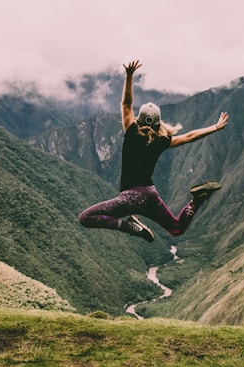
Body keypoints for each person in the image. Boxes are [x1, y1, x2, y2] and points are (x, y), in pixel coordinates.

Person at [79, 60, 229, 242]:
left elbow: (126, 104)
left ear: (138, 119)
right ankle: (197, 199)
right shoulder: (162, 140)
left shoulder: (132, 132)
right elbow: (189, 136)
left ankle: (131, 227)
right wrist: (215, 127)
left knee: (86, 218)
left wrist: (129, 76)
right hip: (150, 195)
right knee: (176, 228)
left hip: (130, 198)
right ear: (158, 123)